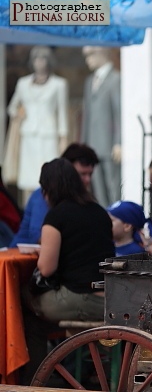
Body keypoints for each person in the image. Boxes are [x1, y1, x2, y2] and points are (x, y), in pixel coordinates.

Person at [19, 158, 115, 385]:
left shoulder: (57, 217)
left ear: (49, 189)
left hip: (80, 298)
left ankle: (32, 381)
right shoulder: (99, 212)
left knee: (21, 302)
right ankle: (67, 369)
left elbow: (46, 267)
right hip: (110, 299)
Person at [6, 46, 68, 204]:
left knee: (51, 177)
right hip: (29, 135)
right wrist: (20, 113)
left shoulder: (59, 84)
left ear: (48, 61)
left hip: (49, 135)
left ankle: (50, 209)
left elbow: (62, 113)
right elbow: (12, 107)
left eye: (43, 58)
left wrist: (63, 139)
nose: (39, 62)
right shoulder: (23, 83)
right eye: (36, 59)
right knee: (28, 178)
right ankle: (29, 210)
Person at [9, 143, 99, 247]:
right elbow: (37, 236)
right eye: (82, 174)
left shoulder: (83, 198)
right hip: (22, 258)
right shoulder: (45, 194)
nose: (87, 180)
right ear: (66, 171)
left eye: (90, 174)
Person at [81, 46, 121, 207]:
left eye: (90, 55)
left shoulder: (116, 79)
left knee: (114, 189)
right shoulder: (89, 81)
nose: (87, 59)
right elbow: (87, 116)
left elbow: (119, 113)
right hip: (93, 147)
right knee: (98, 192)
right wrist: (83, 146)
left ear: (102, 53)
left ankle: (117, 223)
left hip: (110, 147)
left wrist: (119, 142)